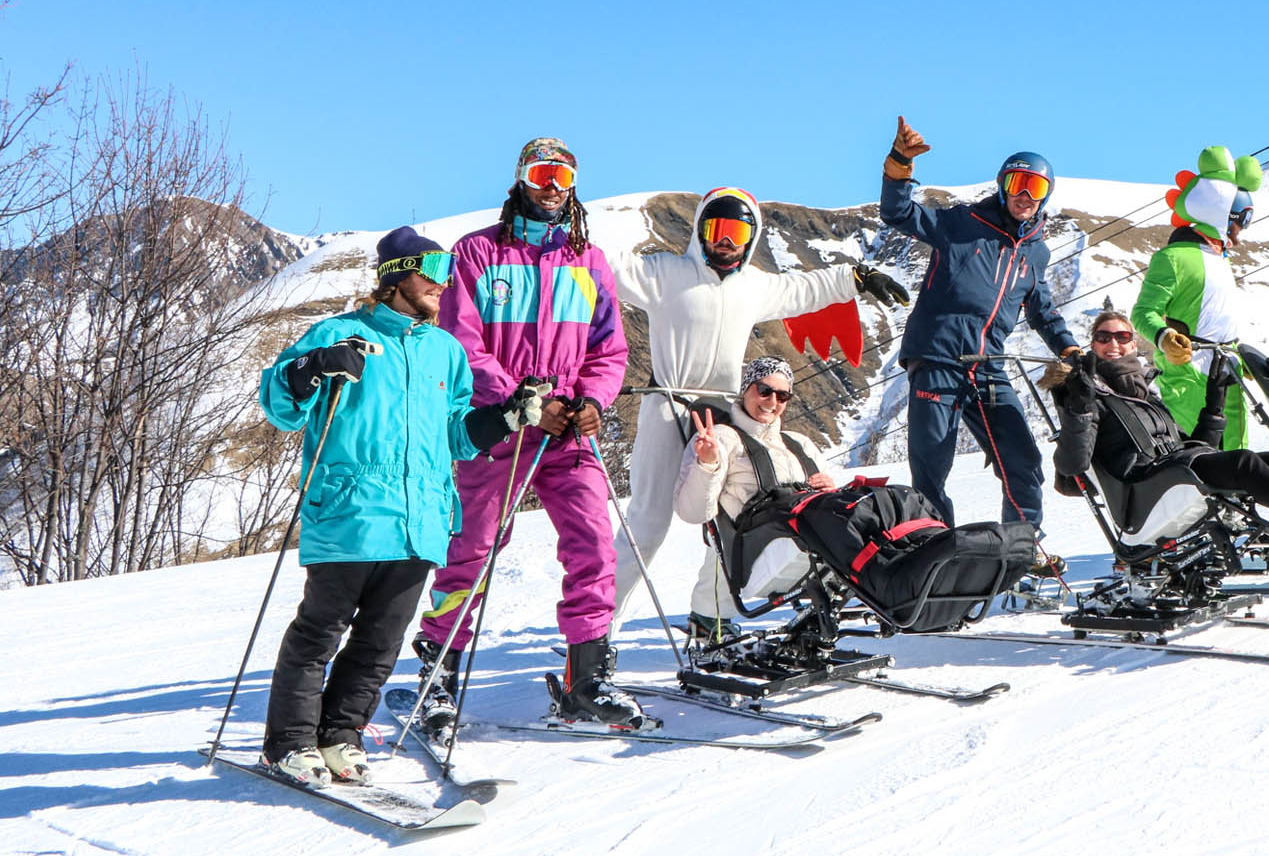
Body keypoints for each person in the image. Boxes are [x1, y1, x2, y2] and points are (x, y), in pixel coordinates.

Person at [255, 227, 543, 786]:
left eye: (447, 272)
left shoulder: (445, 351)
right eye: (431, 270)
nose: (443, 283)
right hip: (350, 512)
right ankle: (289, 743)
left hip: (422, 520)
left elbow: (457, 435)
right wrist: (314, 367)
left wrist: (505, 415)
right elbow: (280, 405)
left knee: (381, 641)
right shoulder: (341, 333)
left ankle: (341, 736)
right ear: (395, 276)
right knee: (321, 632)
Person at [411, 137, 647, 729]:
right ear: (521, 177)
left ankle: (586, 677)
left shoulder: (587, 261)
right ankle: (438, 673)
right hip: (502, 426)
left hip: (566, 428)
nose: (551, 185)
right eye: (542, 172)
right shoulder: (478, 253)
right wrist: (520, 399)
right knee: (471, 550)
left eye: (563, 176)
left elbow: (608, 349)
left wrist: (593, 399)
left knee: (594, 544)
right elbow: (463, 343)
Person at [608, 185, 908, 641]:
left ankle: (710, 617)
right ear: (700, 230)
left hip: (726, 417)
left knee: (730, 518)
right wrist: (562, 239)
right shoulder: (666, 273)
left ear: (750, 238)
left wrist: (856, 279)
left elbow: (802, 289)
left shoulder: (753, 286)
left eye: (736, 232)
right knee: (648, 523)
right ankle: (596, 630)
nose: (725, 241)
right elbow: (611, 268)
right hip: (667, 407)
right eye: (716, 228)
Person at [882, 117, 1080, 575]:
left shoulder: (1036, 252)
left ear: (1046, 195)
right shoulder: (960, 223)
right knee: (931, 464)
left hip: (987, 367)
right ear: (1002, 184)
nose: (1024, 195)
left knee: (1023, 460)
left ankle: (1022, 549)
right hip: (937, 359)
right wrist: (899, 166)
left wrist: (1069, 349)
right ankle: (935, 559)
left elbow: (1043, 310)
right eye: (1017, 183)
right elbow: (898, 213)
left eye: (1035, 187)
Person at [1047, 310, 1269, 554]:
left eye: (1122, 336)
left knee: (1261, 459)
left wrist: (1216, 400)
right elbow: (1073, 467)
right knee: (1244, 463)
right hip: (1142, 489)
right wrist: (1079, 407)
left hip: (1173, 470)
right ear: (1092, 344)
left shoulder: (1144, 392)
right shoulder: (1086, 393)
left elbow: (1194, 447)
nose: (1114, 344)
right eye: (1103, 337)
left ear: (1133, 345)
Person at [672, 357, 839, 629]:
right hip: (756, 551)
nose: (772, 402)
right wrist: (707, 463)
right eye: (764, 391)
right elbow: (692, 512)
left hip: (804, 544)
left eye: (782, 395)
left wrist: (828, 491)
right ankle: (708, 617)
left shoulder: (801, 444)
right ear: (746, 388)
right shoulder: (722, 438)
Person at [1133, 146, 1262, 450]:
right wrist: (1164, 337)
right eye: (1241, 220)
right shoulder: (1173, 257)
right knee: (1199, 457)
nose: (1242, 231)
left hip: (1226, 370)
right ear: (1222, 216)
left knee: (1237, 455)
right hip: (1189, 374)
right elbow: (1143, 312)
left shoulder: (1221, 258)